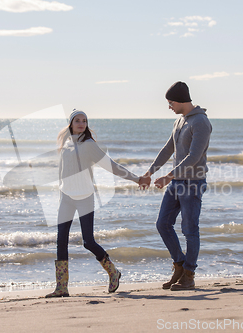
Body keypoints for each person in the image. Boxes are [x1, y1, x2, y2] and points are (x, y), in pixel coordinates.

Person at [46, 109, 142, 298]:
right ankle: (62, 288)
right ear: (71, 124)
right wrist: (60, 193)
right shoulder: (65, 144)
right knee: (61, 241)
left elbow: (111, 166)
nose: (81, 123)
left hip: (85, 197)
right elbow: (62, 172)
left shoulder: (89, 144)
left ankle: (113, 272)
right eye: (78, 120)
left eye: (84, 121)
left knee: (88, 241)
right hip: (66, 197)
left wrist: (136, 179)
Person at [139, 81, 212, 291]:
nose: (169, 106)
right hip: (177, 182)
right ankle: (179, 265)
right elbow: (168, 149)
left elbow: (194, 157)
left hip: (193, 183)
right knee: (163, 224)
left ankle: (189, 275)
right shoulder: (180, 122)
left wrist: (168, 176)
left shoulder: (201, 122)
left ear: (179, 100)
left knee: (190, 229)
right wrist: (150, 172)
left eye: (170, 102)